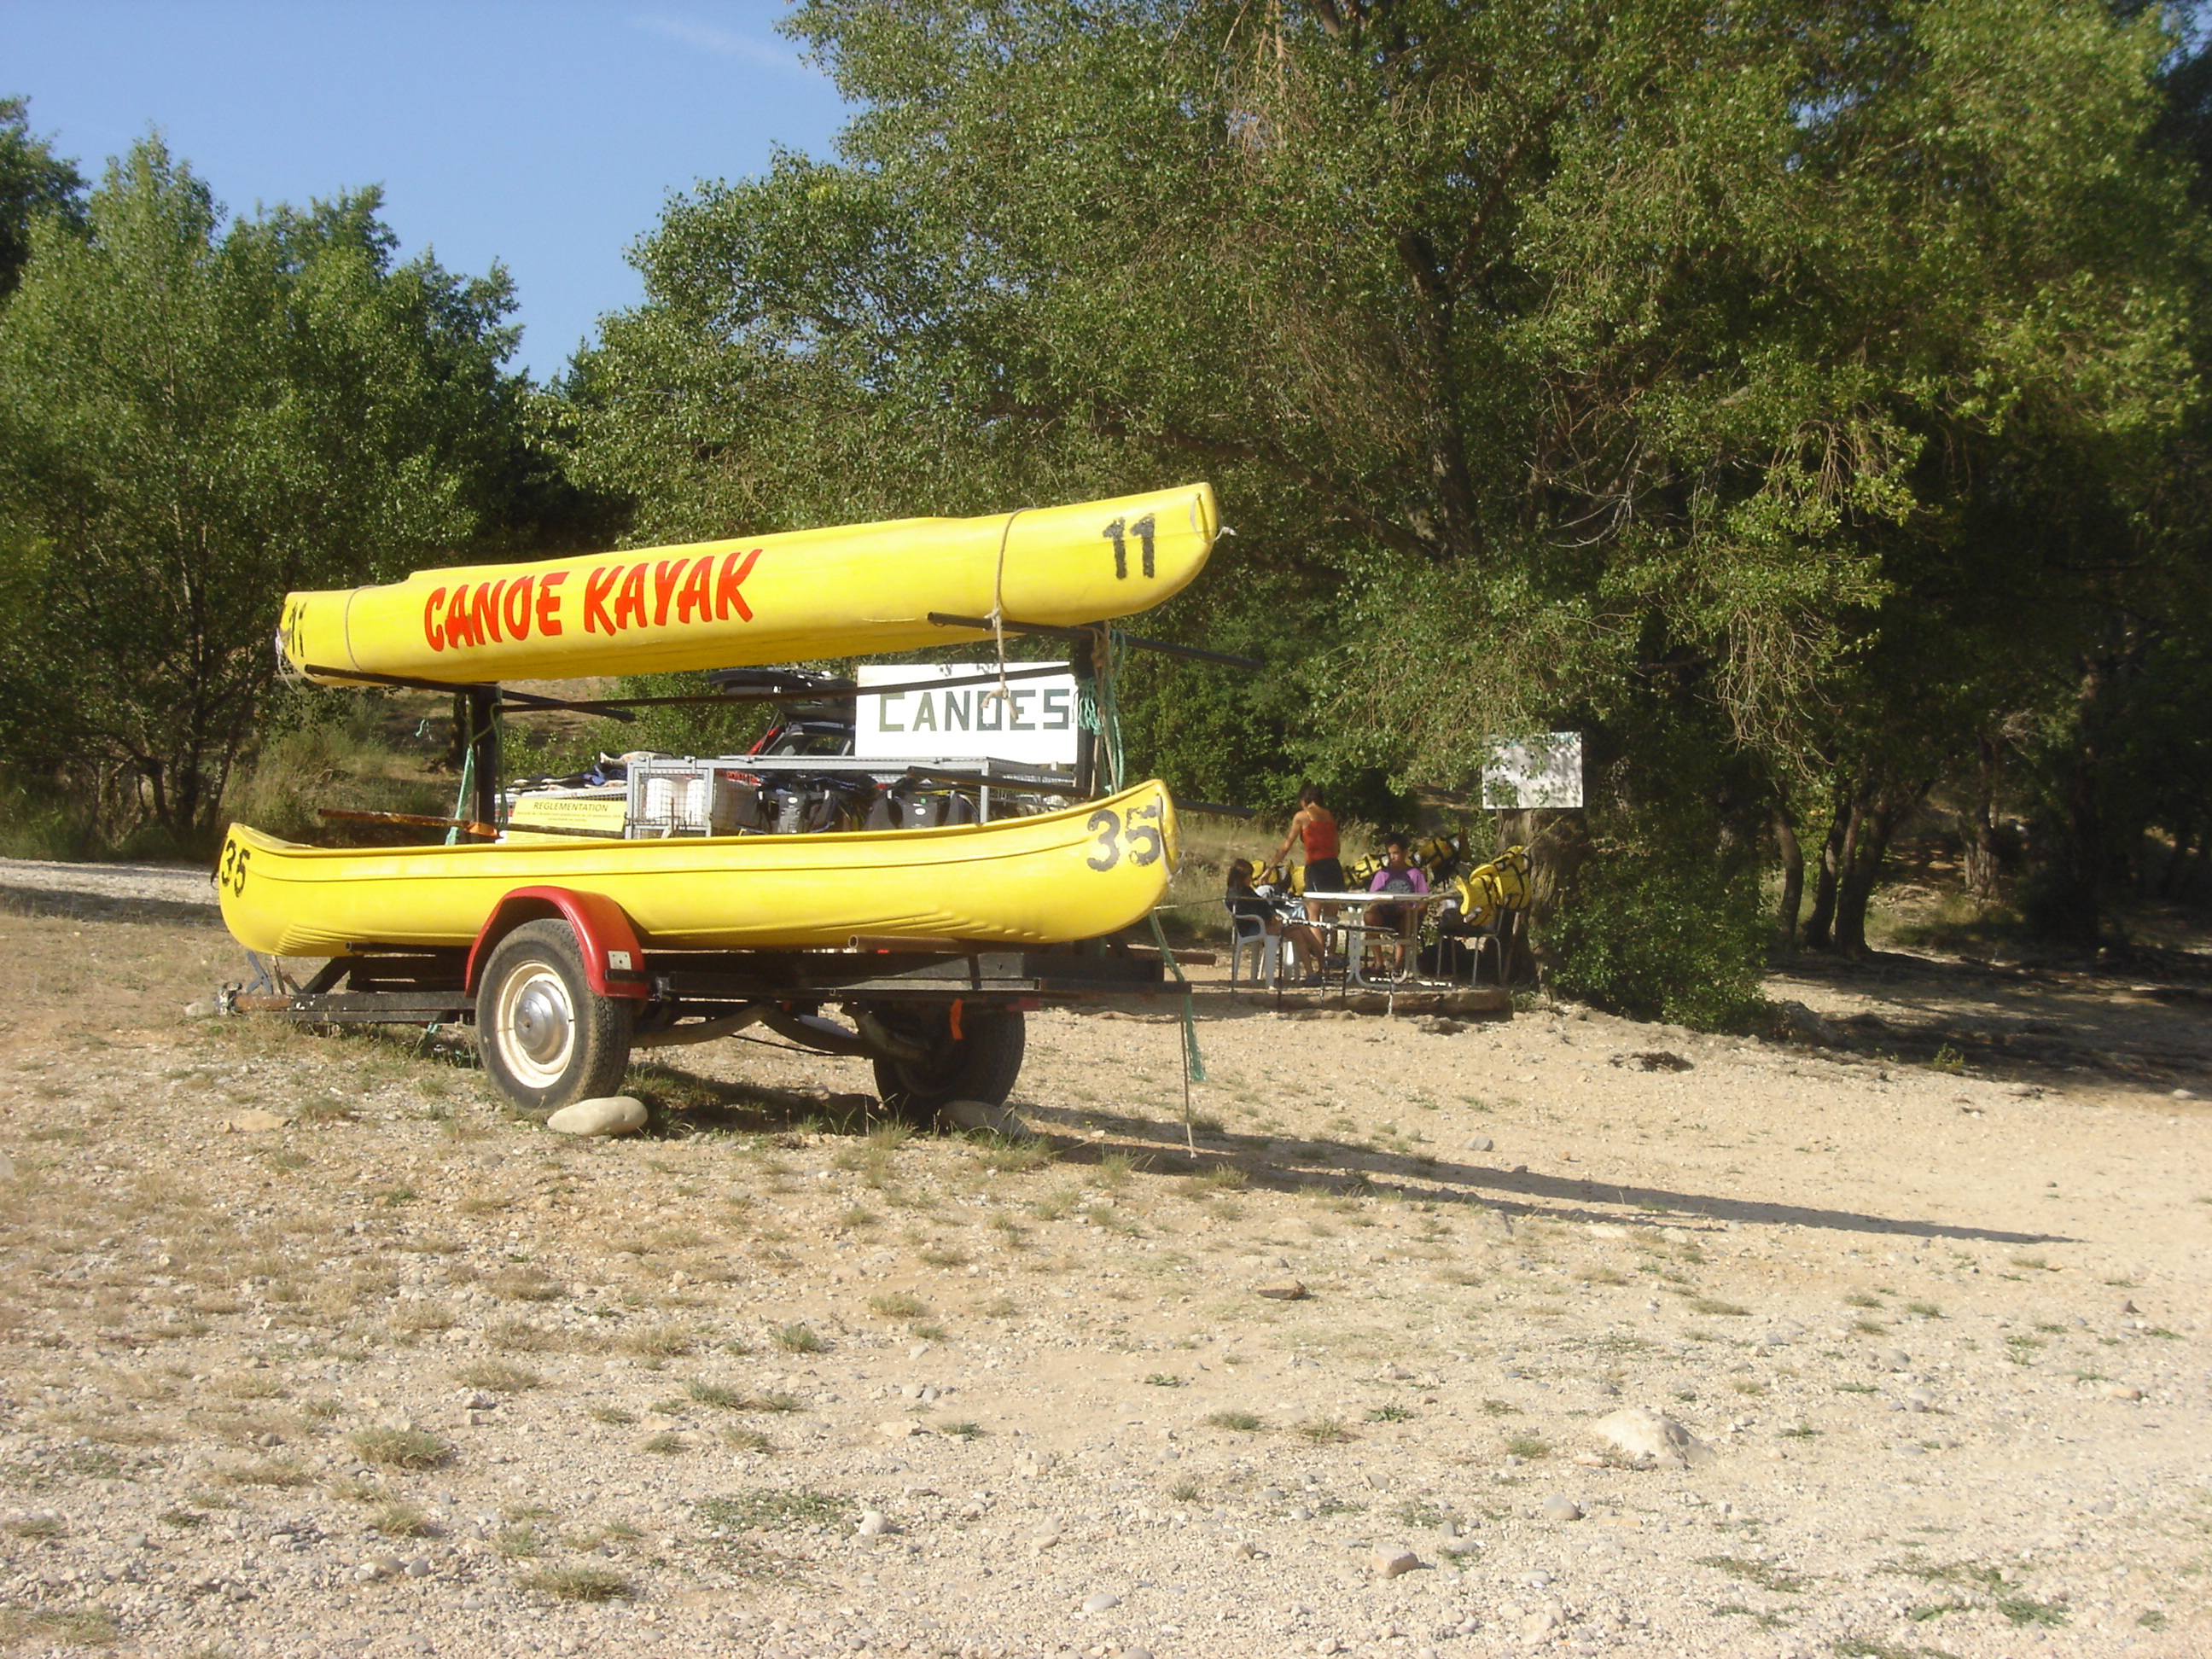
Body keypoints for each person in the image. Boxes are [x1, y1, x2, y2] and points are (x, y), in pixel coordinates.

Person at [1226, 859, 1326, 982]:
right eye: (1249, 876)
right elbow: (1246, 912)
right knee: (1298, 923)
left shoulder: (1247, 890)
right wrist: (1268, 918)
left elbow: (1262, 904)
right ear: (1241, 877)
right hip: (1254, 928)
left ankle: (1310, 974)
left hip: (1265, 924)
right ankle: (1325, 955)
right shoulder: (1234, 894)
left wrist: (1272, 914)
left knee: (1298, 934)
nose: (1251, 879)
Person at [1364, 833, 1430, 974]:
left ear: (1404, 852)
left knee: (1407, 920)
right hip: (1386, 913)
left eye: (1396, 853)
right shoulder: (1382, 874)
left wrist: (1409, 910)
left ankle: (1398, 965)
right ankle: (1379, 962)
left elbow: (1424, 905)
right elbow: (1373, 901)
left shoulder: (1415, 874)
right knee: (1369, 917)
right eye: (1389, 854)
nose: (1392, 857)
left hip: (1407, 915)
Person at [1272, 783, 1345, 898]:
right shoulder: (1329, 816)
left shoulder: (1302, 816)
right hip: (1334, 867)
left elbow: (1286, 845)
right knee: (1331, 911)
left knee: (1313, 912)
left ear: (1304, 799)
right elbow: (1337, 848)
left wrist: (1270, 868)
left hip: (1316, 868)